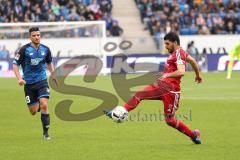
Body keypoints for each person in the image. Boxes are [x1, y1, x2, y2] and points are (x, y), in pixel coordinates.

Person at [105, 32, 203, 144]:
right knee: (139, 94)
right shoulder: (179, 53)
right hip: (162, 85)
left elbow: (181, 71)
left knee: (170, 120)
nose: (165, 46)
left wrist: (167, 75)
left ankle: (193, 135)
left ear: (175, 42)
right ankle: (119, 112)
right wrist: (198, 75)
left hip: (170, 90)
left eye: (167, 44)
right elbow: (193, 62)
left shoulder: (179, 54)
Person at [12, 27, 58, 140]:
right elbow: (15, 65)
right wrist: (19, 79)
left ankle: (46, 133)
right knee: (33, 111)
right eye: (34, 35)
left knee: (44, 104)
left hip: (42, 81)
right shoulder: (24, 50)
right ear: (30, 37)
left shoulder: (46, 49)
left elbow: (49, 62)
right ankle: (37, 102)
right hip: (29, 84)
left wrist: (53, 74)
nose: (37, 37)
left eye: (38, 35)